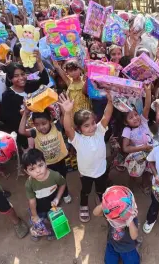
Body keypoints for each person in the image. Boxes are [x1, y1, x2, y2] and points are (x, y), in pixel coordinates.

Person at [59, 93, 113, 223]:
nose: (92, 127)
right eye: (86, 125)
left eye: (93, 123)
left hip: (101, 170)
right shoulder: (77, 139)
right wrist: (67, 113)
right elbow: (67, 128)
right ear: (79, 128)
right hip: (86, 173)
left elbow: (106, 116)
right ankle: (84, 205)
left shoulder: (100, 131)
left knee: (101, 189)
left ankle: (100, 200)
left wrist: (110, 101)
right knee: (85, 191)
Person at [19, 108, 71, 203]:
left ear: (50, 120)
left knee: (62, 178)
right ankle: (56, 195)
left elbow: (65, 118)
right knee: (50, 179)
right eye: (37, 125)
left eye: (44, 123)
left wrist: (65, 109)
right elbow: (22, 131)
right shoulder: (35, 132)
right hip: (45, 164)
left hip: (60, 160)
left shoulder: (57, 126)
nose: (41, 127)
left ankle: (65, 193)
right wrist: (25, 114)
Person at [0, 52, 49, 150]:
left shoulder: (30, 85)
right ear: (10, 78)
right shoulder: (7, 96)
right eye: (16, 76)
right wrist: (22, 115)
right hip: (24, 136)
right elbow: (8, 120)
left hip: (41, 131)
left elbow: (45, 80)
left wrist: (39, 61)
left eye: (23, 74)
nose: (21, 78)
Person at [22, 149, 66, 241]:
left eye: (40, 165)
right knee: (39, 220)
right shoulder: (29, 184)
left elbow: (62, 184)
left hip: (53, 205)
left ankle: (51, 230)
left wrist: (57, 198)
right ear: (26, 172)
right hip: (39, 208)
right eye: (32, 169)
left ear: (45, 163)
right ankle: (37, 230)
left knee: (52, 219)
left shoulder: (55, 176)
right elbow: (32, 201)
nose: (38, 171)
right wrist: (34, 215)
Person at [121, 84, 153, 193]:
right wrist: (142, 147)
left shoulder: (143, 121)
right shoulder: (127, 130)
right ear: (125, 122)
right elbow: (125, 148)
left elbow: (147, 106)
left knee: (148, 171)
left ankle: (145, 184)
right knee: (134, 173)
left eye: (135, 114)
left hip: (150, 153)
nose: (135, 118)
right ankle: (129, 187)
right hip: (137, 157)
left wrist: (148, 91)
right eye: (130, 117)